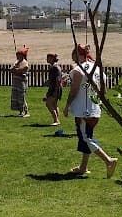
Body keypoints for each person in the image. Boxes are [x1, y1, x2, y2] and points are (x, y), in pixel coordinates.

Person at [63, 43, 118, 178]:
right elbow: (104, 89)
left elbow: (74, 90)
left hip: (83, 111)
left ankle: (108, 160)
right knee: (86, 137)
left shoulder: (78, 70)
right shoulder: (98, 69)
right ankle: (83, 167)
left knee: (86, 138)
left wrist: (67, 105)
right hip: (95, 109)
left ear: (78, 55)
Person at [10, 45, 30, 117]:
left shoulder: (25, 62)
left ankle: (25, 111)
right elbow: (11, 69)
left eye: (18, 55)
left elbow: (23, 69)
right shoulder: (16, 62)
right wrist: (16, 69)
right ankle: (21, 111)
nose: (17, 56)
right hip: (16, 81)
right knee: (17, 97)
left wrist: (16, 70)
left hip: (22, 82)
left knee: (22, 97)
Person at [45, 52, 63, 125]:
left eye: (48, 58)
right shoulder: (55, 67)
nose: (47, 59)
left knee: (48, 104)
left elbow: (57, 80)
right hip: (56, 87)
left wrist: (55, 91)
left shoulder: (54, 67)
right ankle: (57, 120)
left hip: (55, 88)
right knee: (54, 104)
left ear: (52, 59)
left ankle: (56, 120)